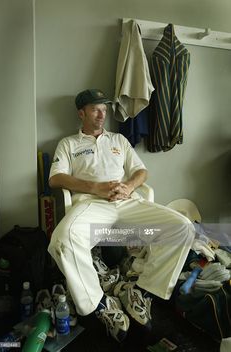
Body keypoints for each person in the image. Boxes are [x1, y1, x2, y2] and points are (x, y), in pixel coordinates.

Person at [48, 88, 195, 342]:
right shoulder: (69, 144)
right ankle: (99, 303)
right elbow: (55, 178)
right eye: (96, 109)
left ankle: (144, 291)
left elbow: (141, 171)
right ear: (81, 113)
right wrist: (96, 188)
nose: (102, 114)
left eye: (104, 109)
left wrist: (128, 186)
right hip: (92, 204)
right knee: (62, 241)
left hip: (126, 202)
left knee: (182, 227)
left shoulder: (118, 140)